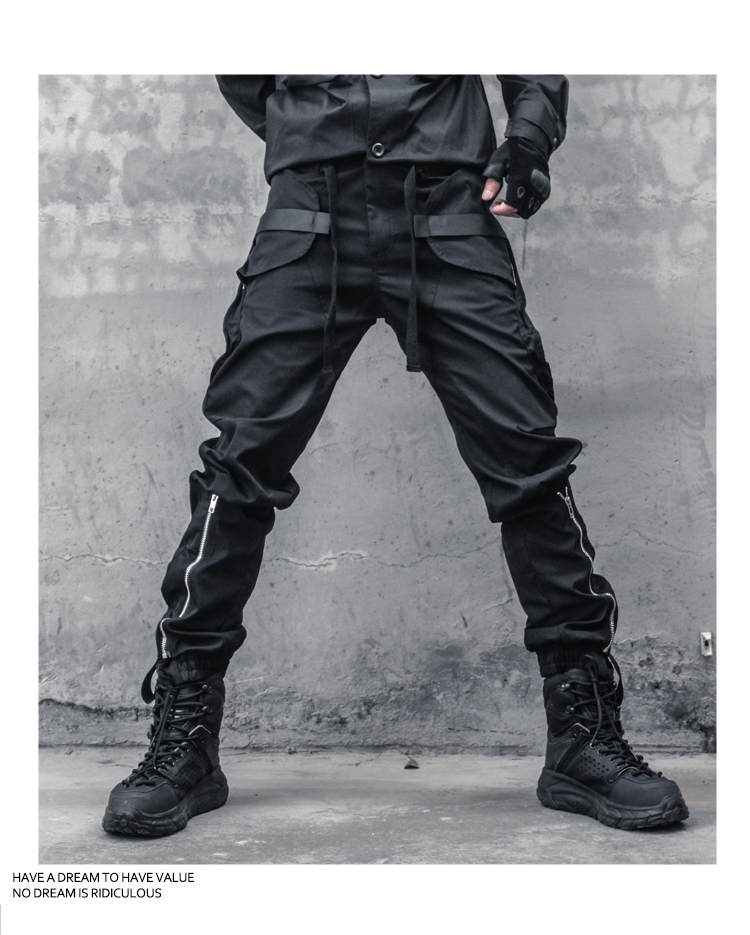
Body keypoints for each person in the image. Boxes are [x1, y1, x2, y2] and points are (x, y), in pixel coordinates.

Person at [102, 75, 689, 838]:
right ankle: (185, 734)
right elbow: (243, 66)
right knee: (239, 466)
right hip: (311, 207)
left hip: (447, 203)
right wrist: (316, 125)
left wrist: (528, 138)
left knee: (527, 463)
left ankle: (583, 734)